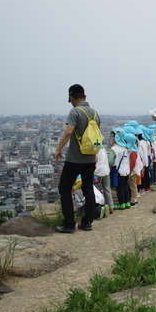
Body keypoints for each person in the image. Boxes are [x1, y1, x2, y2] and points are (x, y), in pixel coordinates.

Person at [54, 84, 100, 233]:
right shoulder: (95, 113)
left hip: (74, 159)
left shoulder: (75, 112)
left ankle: (69, 224)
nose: (71, 102)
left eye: (71, 99)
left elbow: (68, 132)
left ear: (73, 97)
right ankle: (87, 223)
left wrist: (58, 149)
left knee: (65, 188)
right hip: (91, 158)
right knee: (88, 189)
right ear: (84, 97)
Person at [111, 129, 131, 209]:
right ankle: (127, 203)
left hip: (118, 171)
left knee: (119, 188)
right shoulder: (125, 148)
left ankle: (121, 203)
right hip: (126, 171)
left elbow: (113, 162)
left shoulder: (114, 148)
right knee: (125, 186)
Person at [94, 146, 114, 214]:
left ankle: (100, 208)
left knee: (97, 191)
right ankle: (111, 207)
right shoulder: (103, 148)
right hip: (106, 171)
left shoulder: (95, 148)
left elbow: (95, 160)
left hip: (97, 172)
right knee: (107, 189)